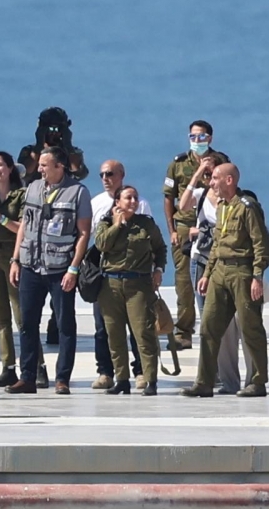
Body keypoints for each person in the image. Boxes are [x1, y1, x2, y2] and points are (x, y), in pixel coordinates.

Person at [7, 147, 93, 395]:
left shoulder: (78, 192)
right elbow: (24, 224)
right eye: (40, 165)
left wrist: (73, 269)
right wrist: (15, 260)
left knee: (65, 324)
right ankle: (28, 377)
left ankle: (62, 378)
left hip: (60, 269)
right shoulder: (33, 187)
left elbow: (84, 233)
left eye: (45, 165)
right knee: (27, 324)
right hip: (31, 265)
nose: (40, 169)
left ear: (60, 167)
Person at [182, 163, 269, 398]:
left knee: (250, 328)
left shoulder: (247, 207)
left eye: (214, 179)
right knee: (209, 327)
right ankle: (204, 382)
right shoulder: (222, 207)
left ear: (229, 180)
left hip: (242, 273)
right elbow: (217, 245)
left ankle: (257, 382)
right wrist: (208, 274)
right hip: (220, 272)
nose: (211, 183)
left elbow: (261, 245)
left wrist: (257, 277)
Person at [0, 151, 47, 389]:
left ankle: (37, 366)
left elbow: (22, 228)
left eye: (0, 165)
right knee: (1, 316)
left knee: (22, 315)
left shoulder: (22, 195)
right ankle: (8, 367)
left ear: (11, 168)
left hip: (15, 254)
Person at [17, 107, 87, 347]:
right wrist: (40, 146)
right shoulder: (31, 152)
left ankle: (55, 324)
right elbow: (25, 171)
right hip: (35, 214)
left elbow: (79, 171)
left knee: (59, 289)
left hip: (64, 217)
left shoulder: (71, 154)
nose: (55, 133)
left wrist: (65, 147)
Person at [93, 185, 166, 396]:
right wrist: (117, 225)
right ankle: (122, 379)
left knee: (143, 332)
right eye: (128, 198)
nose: (133, 201)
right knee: (114, 335)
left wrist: (158, 269)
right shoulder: (105, 223)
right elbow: (101, 245)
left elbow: (160, 248)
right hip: (111, 285)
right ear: (117, 202)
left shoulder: (146, 224)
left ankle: (150, 379)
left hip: (139, 285)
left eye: (135, 197)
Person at [163, 120, 229, 349]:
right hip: (184, 226)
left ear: (210, 138)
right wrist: (172, 230)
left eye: (201, 137)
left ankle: (212, 329)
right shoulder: (178, 163)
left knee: (211, 278)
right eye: (193, 137)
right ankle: (183, 332)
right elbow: (169, 199)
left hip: (211, 227)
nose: (196, 141)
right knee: (184, 281)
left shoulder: (220, 161)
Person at [88, 161, 151, 391]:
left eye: (110, 174)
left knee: (137, 328)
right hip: (106, 276)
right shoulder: (96, 203)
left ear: (121, 175)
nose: (106, 178)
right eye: (102, 174)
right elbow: (93, 239)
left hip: (135, 277)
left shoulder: (139, 203)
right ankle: (106, 372)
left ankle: (140, 372)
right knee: (104, 328)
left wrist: (156, 270)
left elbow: (152, 240)